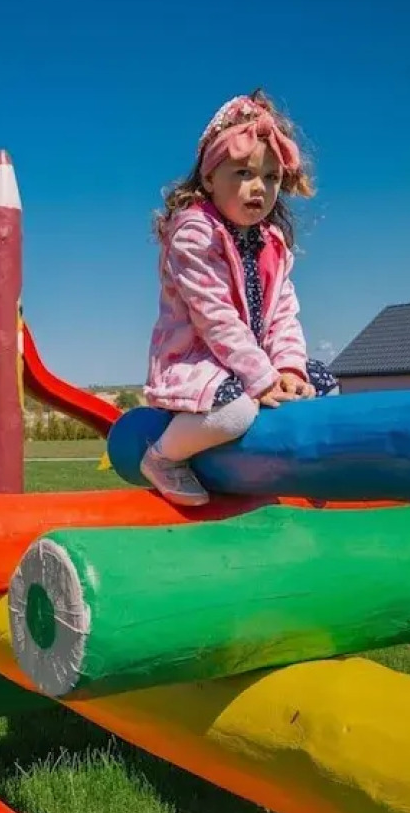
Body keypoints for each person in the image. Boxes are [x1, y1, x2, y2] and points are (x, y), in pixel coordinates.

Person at [140, 90, 338, 506]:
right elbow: (215, 318)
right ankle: (161, 458)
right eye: (243, 173)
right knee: (236, 412)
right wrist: (262, 378)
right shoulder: (194, 233)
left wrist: (288, 369)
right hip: (198, 359)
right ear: (210, 177)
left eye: (270, 177)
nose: (258, 188)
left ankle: (299, 467)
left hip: (253, 364)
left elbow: (284, 313)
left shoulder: (272, 241)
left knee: (323, 386)